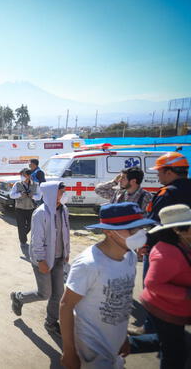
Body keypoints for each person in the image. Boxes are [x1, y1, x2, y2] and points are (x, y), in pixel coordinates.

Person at [59, 202, 156, 369]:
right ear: (109, 231)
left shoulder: (130, 257)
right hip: (92, 352)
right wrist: (69, 351)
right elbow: (66, 305)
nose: (139, 233)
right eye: (131, 229)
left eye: (140, 228)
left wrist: (123, 337)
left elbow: (123, 301)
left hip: (115, 346)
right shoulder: (89, 264)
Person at [127, 204, 191, 368]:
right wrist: (186, 294)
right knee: (174, 353)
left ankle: (120, 344)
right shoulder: (167, 252)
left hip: (175, 308)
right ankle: (117, 345)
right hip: (164, 308)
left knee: (168, 341)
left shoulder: (183, 243)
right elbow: (152, 284)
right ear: (178, 229)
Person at [10, 181, 70, 335]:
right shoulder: (41, 213)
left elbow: (66, 232)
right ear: (51, 194)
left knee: (58, 294)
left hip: (58, 259)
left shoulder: (64, 210)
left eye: (63, 193)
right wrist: (41, 261)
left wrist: (67, 251)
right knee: (45, 293)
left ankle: (51, 323)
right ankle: (18, 298)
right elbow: (37, 240)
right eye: (61, 193)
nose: (63, 196)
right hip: (42, 259)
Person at [140, 152, 190, 335]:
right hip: (187, 252)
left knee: (155, 290)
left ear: (169, 172)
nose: (158, 176)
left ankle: (152, 330)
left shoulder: (166, 193)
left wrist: (145, 246)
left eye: (160, 171)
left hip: (163, 250)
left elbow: (154, 224)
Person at [9, 169, 41, 249]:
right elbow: (11, 195)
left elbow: (39, 197)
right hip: (19, 208)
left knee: (31, 225)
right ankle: (23, 241)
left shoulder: (36, 185)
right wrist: (20, 194)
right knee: (21, 226)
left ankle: (22, 235)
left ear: (29, 176)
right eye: (21, 175)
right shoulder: (17, 184)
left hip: (31, 208)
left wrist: (32, 196)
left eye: (23, 175)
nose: (22, 177)